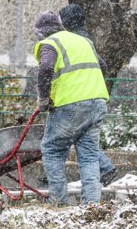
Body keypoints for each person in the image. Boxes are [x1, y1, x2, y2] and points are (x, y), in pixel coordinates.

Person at [33, 11, 110, 205]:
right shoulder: (84, 41)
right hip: (97, 102)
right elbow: (103, 66)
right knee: (89, 156)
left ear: (41, 33)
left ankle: (58, 202)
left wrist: (43, 98)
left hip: (70, 105)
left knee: (52, 150)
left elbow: (46, 68)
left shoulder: (50, 44)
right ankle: (91, 205)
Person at [58, 3, 118, 187]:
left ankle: (54, 173)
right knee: (82, 137)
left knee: (67, 135)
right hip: (92, 96)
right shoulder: (86, 39)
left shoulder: (73, 41)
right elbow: (103, 66)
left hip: (77, 96)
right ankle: (104, 168)